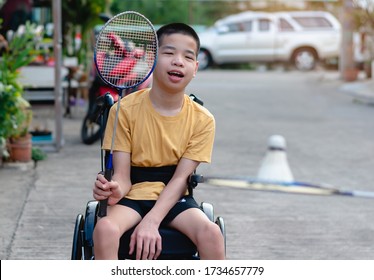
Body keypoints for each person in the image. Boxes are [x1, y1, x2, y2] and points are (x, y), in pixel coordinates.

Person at [93, 22, 225, 260]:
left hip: (175, 196)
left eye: (187, 56)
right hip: (132, 195)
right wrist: (114, 189)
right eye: (169, 52)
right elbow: (122, 176)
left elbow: (180, 180)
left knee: (212, 233)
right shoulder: (123, 110)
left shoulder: (203, 120)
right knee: (104, 229)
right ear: (152, 58)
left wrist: (151, 222)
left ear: (195, 68)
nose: (178, 61)